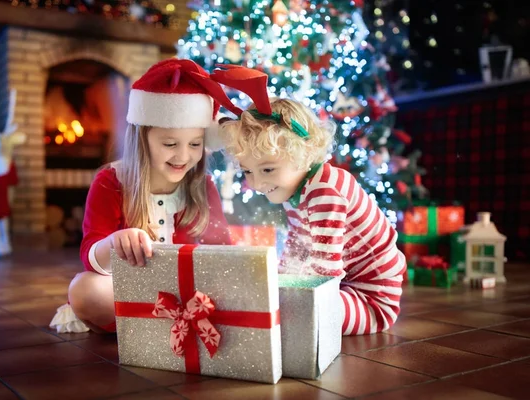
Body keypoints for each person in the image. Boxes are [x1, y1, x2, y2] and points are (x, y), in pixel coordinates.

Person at [50, 59, 239, 334]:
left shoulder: (203, 186)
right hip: (132, 289)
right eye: (170, 144)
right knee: (84, 288)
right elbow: (90, 257)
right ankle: (171, 326)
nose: (184, 156)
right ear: (142, 139)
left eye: (195, 144)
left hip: (187, 291)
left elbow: (224, 250)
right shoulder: (111, 181)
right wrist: (113, 243)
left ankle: (161, 326)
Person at [214, 67, 406, 335]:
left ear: (303, 155)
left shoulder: (327, 189)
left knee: (306, 315)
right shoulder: (295, 192)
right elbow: (296, 247)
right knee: (288, 307)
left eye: (267, 169)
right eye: (248, 171)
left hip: (371, 299)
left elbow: (323, 271)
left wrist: (277, 299)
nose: (256, 184)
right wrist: (276, 284)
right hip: (344, 286)